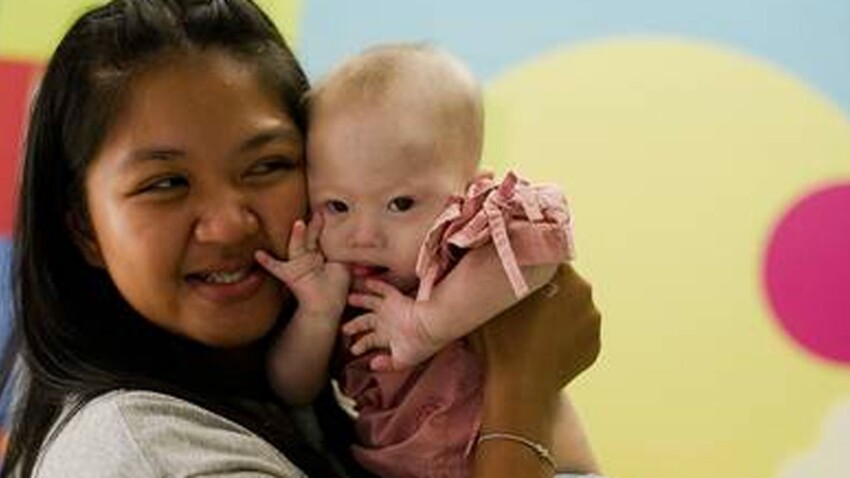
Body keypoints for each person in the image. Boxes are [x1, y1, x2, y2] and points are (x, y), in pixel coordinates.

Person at [0, 1, 601, 478]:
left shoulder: (266, 379)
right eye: (166, 183)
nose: (230, 223)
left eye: (267, 166)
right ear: (84, 228)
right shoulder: (147, 456)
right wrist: (523, 383)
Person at [256, 44, 597, 478]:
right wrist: (317, 313)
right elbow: (292, 388)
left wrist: (428, 322)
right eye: (338, 206)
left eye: (400, 204)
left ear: (470, 189)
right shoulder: (346, 293)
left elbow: (540, 251)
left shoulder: (461, 241)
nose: (364, 236)